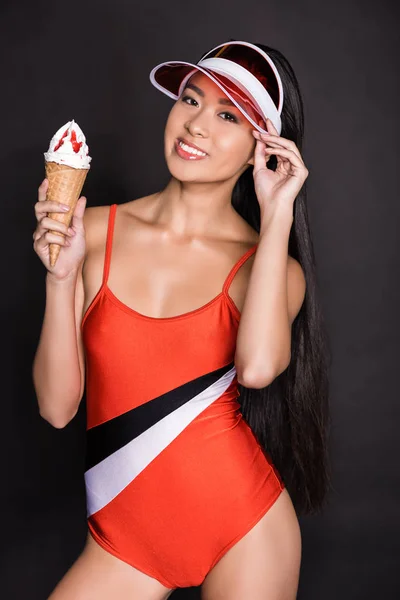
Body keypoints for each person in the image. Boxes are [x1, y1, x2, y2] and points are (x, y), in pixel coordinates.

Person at [32, 40, 331, 600]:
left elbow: (260, 368)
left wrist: (279, 212)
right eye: (190, 100)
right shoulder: (90, 233)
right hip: (122, 539)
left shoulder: (269, 267)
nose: (196, 125)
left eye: (226, 116)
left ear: (258, 149)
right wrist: (60, 278)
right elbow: (56, 407)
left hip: (245, 530)